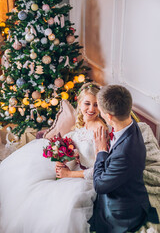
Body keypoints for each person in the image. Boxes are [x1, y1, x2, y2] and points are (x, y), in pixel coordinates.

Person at [0, 82, 107, 233]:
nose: (91, 109)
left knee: (60, 204)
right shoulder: (82, 124)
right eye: (87, 103)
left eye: (96, 105)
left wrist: (69, 174)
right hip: (71, 170)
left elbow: (99, 169)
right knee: (30, 178)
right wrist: (62, 161)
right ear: (80, 103)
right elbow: (77, 153)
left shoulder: (100, 129)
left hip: (85, 178)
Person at [88, 85, 159, 233]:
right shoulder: (133, 126)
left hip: (121, 215)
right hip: (132, 191)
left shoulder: (125, 153)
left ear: (109, 117)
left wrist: (101, 151)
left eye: (100, 111)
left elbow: (100, 186)